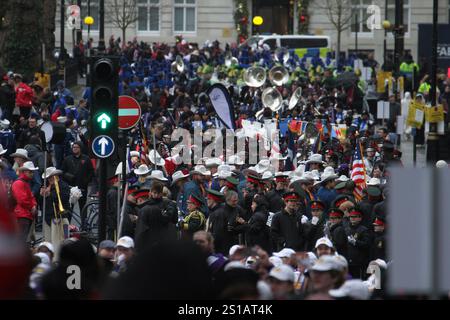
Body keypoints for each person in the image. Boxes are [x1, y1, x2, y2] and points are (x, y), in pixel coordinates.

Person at [135, 182, 178, 251]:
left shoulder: (167, 204)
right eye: (155, 193)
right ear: (151, 192)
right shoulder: (146, 207)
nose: (156, 195)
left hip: (159, 240)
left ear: (161, 193)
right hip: (159, 240)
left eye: (158, 193)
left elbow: (173, 219)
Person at [61, 141, 95, 229]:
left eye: (77, 147)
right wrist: (68, 177)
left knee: (83, 208)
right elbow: (62, 172)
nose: (75, 149)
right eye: (73, 147)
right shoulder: (67, 159)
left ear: (80, 148)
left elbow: (91, 172)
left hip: (82, 187)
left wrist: (86, 181)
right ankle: (68, 226)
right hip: (70, 187)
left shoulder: (86, 159)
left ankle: (84, 225)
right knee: (69, 208)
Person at [40, 167, 71, 253]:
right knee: (48, 241)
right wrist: (42, 195)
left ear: (57, 176)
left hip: (59, 217)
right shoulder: (47, 186)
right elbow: (41, 203)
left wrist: (50, 194)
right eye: (49, 177)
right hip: (48, 217)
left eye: (52, 177)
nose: (50, 179)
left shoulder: (63, 186)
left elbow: (64, 199)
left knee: (58, 242)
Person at [11, 161, 38, 242]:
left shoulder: (24, 183)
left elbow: (30, 197)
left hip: (24, 214)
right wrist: (32, 207)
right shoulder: (19, 183)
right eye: (30, 172)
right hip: (22, 215)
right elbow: (22, 200)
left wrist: (33, 205)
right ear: (24, 171)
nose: (32, 174)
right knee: (21, 239)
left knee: (22, 239)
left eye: (32, 172)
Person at [344, 208, 370, 279]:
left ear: (360, 218)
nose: (353, 218)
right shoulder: (346, 229)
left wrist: (356, 242)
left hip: (358, 261)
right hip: (348, 260)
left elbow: (367, 244)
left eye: (355, 217)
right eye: (351, 217)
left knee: (357, 280)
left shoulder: (363, 230)